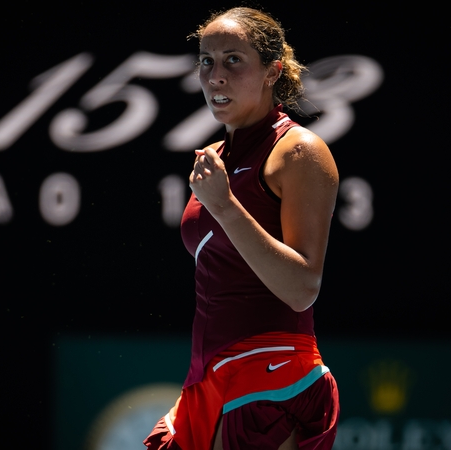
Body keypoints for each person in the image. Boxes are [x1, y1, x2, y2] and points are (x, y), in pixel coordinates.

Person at [144, 7, 339, 450]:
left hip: (271, 373)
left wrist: (226, 207)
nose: (215, 76)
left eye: (234, 59)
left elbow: (302, 287)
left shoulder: (300, 152)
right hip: (208, 376)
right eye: (206, 60)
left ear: (274, 71)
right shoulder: (213, 159)